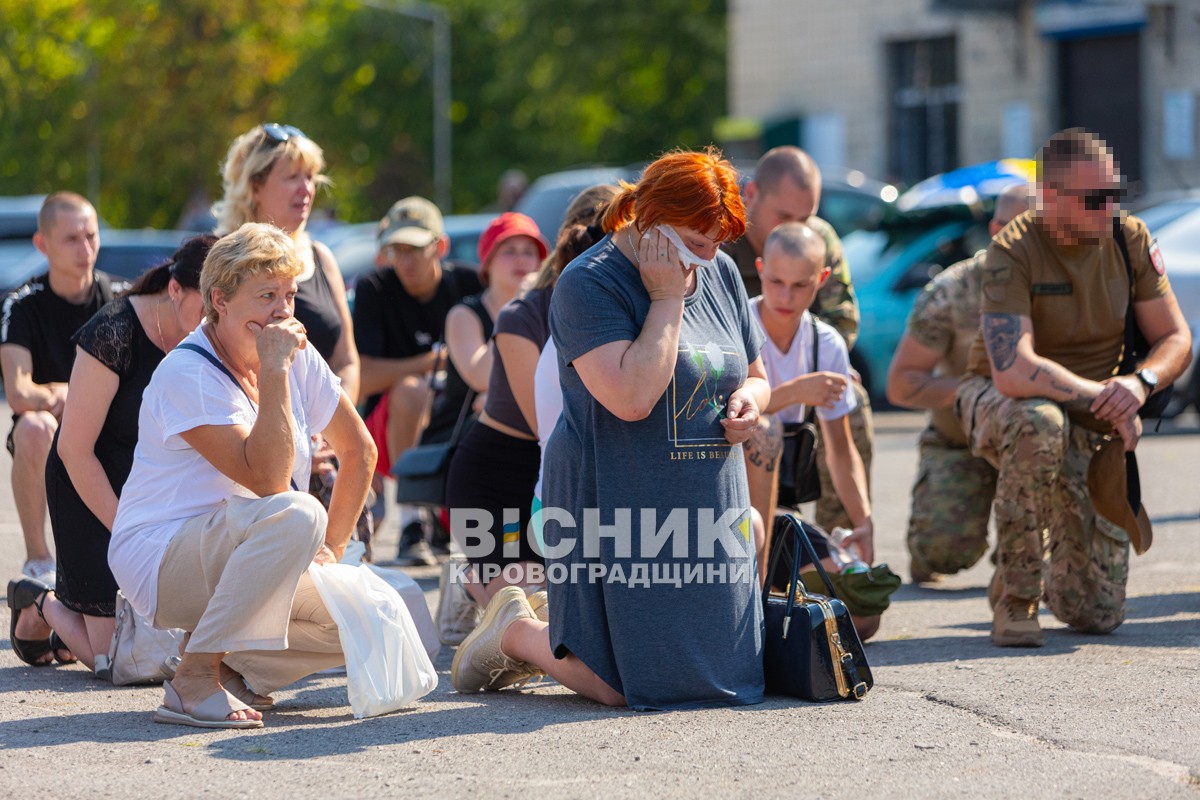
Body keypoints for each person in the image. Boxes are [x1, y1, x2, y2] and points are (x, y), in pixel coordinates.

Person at [450, 148, 769, 710]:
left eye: (720, 242)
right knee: (620, 687)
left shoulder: (717, 270)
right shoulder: (587, 283)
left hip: (705, 504)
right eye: (697, 242)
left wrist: (749, 399)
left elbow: (756, 373)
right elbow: (631, 397)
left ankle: (533, 627)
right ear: (650, 219)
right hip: (613, 505)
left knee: (724, 677)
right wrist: (668, 298)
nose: (711, 256)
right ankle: (513, 633)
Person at [108, 223, 376, 727]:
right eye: (267, 295)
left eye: (290, 295)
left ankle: (226, 664)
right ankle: (195, 675)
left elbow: (360, 450)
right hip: (162, 559)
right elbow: (270, 483)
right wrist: (274, 371)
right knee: (299, 511)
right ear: (220, 300)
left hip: (253, 543)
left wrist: (332, 552)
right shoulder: (188, 372)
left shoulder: (290, 351)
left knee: (375, 619)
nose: (283, 310)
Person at [955, 129, 1190, 647]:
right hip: (1002, 402)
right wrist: (1107, 400)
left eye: (1115, 193)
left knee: (1097, 613)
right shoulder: (1011, 250)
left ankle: (1054, 555)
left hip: (1098, 412)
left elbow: (1176, 338)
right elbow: (1013, 368)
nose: (1109, 208)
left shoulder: (1130, 239)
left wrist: (1139, 384)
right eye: (1094, 198)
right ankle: (1016, 597)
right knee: (1040, 422)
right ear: (1051, 198)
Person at [7, 236, 213, 670]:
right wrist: (128, 532)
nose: (214, 320)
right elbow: (73, 449)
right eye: (207, 306)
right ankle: (40, 601)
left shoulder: (215, 339)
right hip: (92, 487)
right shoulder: (113, 331)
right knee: (122, 661)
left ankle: (69, 609)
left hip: (160, 496)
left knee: (176, 649)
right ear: (175, 290)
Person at [212, 123, 370, 553]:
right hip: (252, 470)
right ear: (256, 185)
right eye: (292, 177)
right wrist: (295, 439)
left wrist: (327, 435)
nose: (307, 189)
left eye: (311, 177)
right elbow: (213, 365)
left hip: (328, 459)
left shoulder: (321, 257)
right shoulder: (220, 261)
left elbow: (347, 359)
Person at [722, 146, 874, 534]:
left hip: (799, 357)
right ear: (752, 196)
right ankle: (754, 542)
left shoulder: (817, 238)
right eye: (785, 216)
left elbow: (840, 317)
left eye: (805, 217)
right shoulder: (720, 237)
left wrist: (825, 370)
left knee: (847, 400)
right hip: (734, 377)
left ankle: (839, 540)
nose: (795, 229)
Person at [886, 184, 1032, 583]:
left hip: (1036, 445)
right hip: (961, 441)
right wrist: (981, 390)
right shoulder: (953, 289)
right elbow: (901, 384)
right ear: (996, 228)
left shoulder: (1063, 289)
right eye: (1020, 229)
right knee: (943, 552)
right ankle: (927, 541)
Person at [745, 222, 878, 639]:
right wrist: (789, 394)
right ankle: (759, 598)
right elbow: (719, 420)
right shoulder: (735, 324)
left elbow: (841, 449)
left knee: (863, 618)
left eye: (800, 285)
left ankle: (779, 600)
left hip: (785, 508)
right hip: (729, 504)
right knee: (761, 426)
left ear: (821, 280)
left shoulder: (827, 344)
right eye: (776, 282)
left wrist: (865, 519)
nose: (785, 297)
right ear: (760, 269)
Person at [353, 196, 482, 564]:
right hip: (390, 423)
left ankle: (449, 521)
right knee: (412, 391)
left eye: (415, 249)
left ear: (439, 247)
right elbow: (364, 378)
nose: (405, 260)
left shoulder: (470, 283)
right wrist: (431, 362)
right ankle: (411, 520)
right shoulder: (374, 288)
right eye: (397, 249)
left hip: (459, 412)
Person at [1, 192, 119, 584]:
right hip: (50, 433)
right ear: (42, 244)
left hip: (111, 432)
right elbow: (18, 392)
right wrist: (67, 395)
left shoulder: (120, 301)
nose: (85, 249)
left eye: (91, 235)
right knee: (34, 428)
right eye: (71, 239)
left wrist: (72, 395)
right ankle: (38, 561)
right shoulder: (22, 305)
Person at [443, 213, 548, 601]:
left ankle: (471, 585)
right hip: (484, 466)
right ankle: (469, 586)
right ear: (487, 263)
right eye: (509, 251)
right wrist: (513, 317)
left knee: (544, 583)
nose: (521, 260)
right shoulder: (466, 314)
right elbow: (479, 376)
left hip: (535, 466)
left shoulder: (545, 311)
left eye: (529, 251)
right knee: (515, 588)